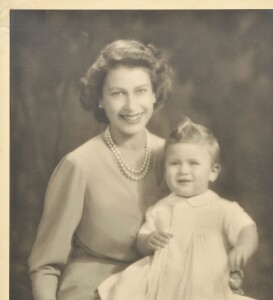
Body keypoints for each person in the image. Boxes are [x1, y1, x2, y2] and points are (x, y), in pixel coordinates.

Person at [27, 39, 173, 300]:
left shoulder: (173, 156)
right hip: (93, 291)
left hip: (161, 287)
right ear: (100, 100)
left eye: (140, 91)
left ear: (154, 93)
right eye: (117, 93)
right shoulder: (79, 165)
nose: (131, 106)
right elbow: (45, 266)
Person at [98, 117, 259, 300]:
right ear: (165, 170)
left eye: (193, 163)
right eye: (175, 163)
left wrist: (242, 248)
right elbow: (142, 239)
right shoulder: (160, 209)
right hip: (163, 286)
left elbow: (247, 228)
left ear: (213, 172)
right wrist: (148, 240)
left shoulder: (221, 208)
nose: (183, 170)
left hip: (205, 286)